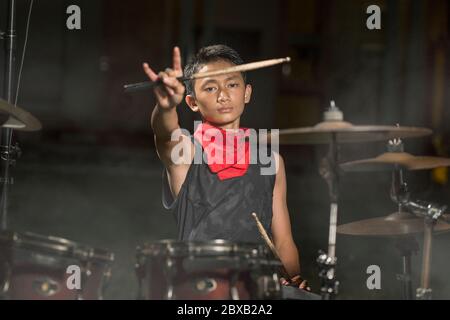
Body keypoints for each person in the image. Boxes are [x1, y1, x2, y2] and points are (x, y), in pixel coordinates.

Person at [143, 44, 308, 289]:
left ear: (247, 93)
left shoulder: (271, 161)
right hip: (199, 289)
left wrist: (292, 281)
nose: (223, 95)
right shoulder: (186, 151)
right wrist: (166, 106)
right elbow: (165, 134)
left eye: (232, 84)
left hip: (257, 291)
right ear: (192, 102)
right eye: (210, 87)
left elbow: (283, 241)